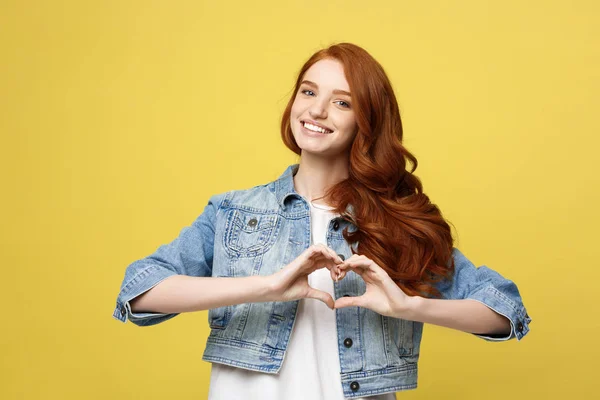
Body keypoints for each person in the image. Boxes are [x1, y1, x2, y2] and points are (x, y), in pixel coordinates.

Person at [112, 42, 532, 399]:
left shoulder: (395, 224)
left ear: (367, 122)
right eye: (308, 92)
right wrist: (268, 287)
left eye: (342, 102)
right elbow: (140, 291)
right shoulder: (233, 212)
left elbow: (504, 310)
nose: (317, 110)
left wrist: (408, 306)